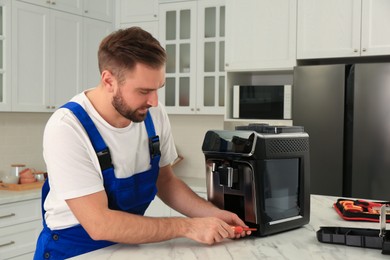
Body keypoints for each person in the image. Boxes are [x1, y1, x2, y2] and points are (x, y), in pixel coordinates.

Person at [34, 27, 250, 259]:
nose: (154, 101)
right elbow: (99, 224)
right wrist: (189, 226)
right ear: (109, 80)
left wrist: (214, 215)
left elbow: (165, 181)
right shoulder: (67, 128)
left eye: (158, 89)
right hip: (74, 251)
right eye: (144, 91)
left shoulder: (151, 114)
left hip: (128, 246)